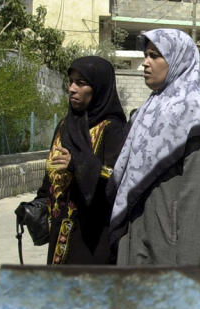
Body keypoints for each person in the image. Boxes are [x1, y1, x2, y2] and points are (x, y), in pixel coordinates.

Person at [109, 28, 200, 273]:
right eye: (146, 54)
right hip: (136, 245)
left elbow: (199, 200)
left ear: (177, 60)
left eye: (155, 55)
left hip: (171, 258)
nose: (145, 62)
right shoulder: (148, 111)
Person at [17, 56, 127, 264]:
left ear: (99, 88)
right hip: (60, 235)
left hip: (93, 239)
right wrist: (36, 204)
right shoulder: (65, 126)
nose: (72, 89)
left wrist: (79, 165)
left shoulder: (112, 129)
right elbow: (50, 178)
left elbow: (117, 180)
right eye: (71, 82)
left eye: (81, 83)